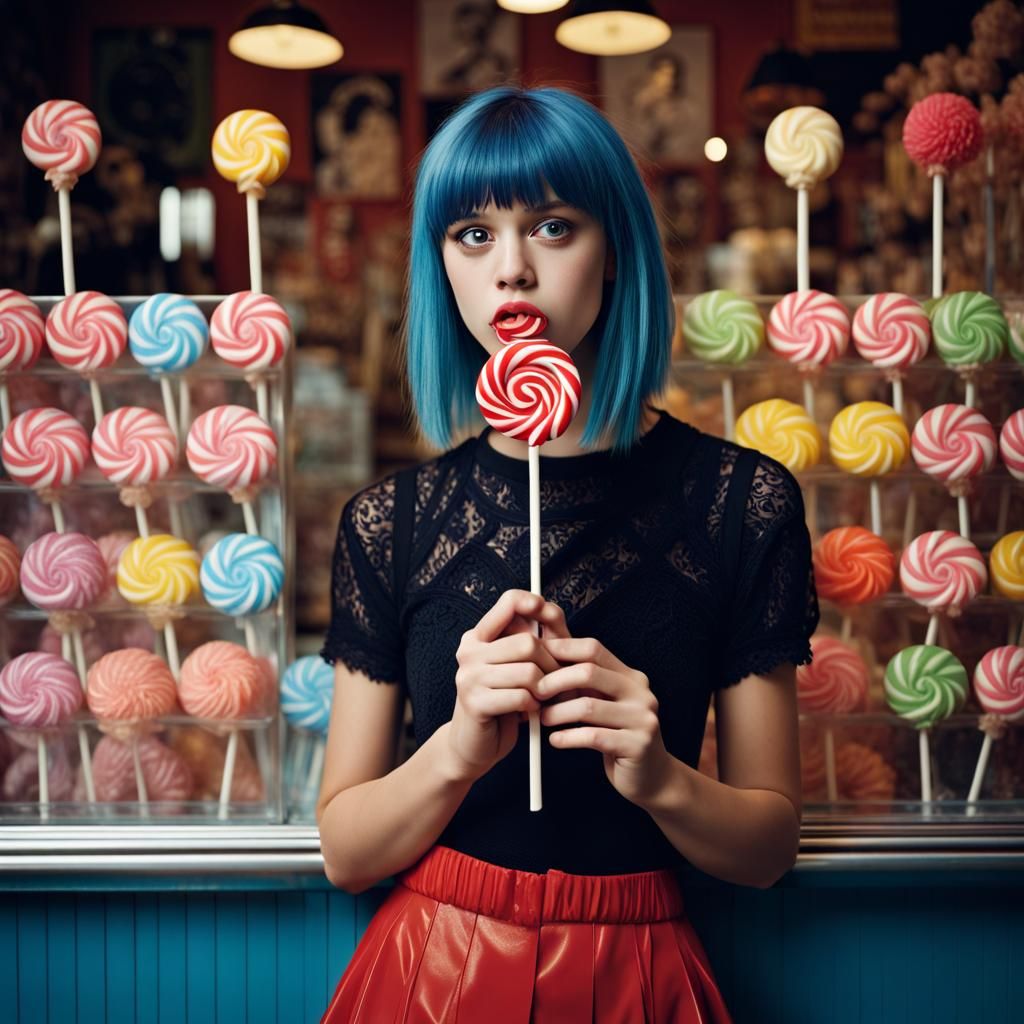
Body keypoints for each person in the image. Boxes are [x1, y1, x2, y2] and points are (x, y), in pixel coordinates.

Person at [316, 84, 818, 1023]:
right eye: (473, 234)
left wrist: (661, 777)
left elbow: (767, 850)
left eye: (552, 227)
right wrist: (455, 750)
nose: (511, 270)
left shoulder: (740, 503)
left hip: (639, 972)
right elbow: (346, 852)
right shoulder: (392, 521)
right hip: (434, 972)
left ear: (614, 247)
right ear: (442, 267)